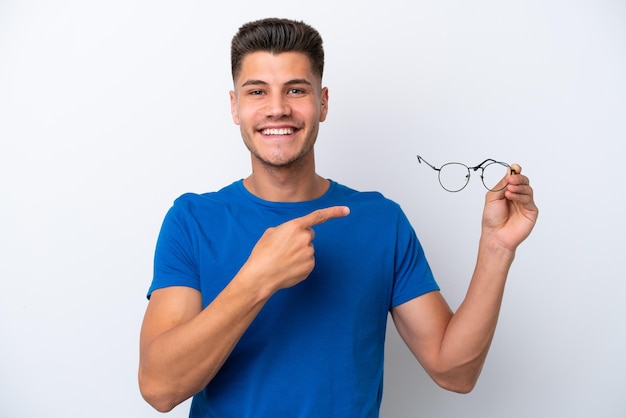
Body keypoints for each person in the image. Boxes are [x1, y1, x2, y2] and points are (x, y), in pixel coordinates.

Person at [138, 17, 538, 417]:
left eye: (296, 90)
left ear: (323, 102)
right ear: (235, 107)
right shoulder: (192, 221)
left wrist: (497, 248)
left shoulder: (382, 222)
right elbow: (159, 388)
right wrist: (257, 279)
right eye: (257, 91)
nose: (277, 109)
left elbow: (455, 372)